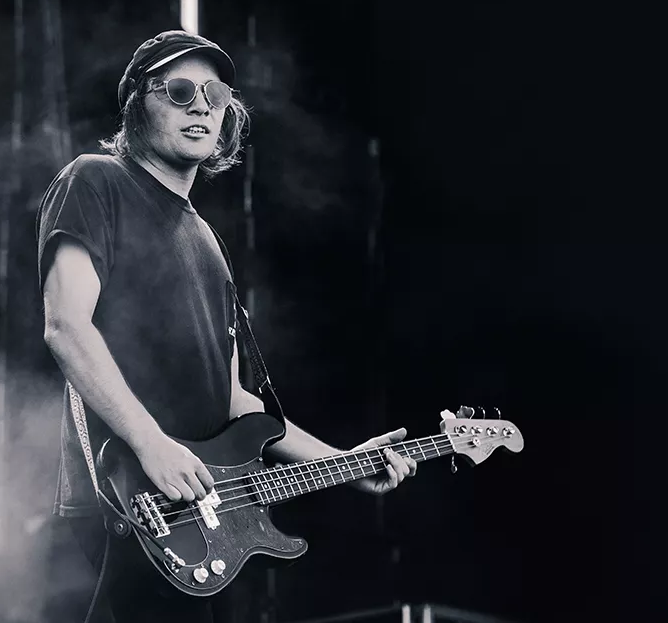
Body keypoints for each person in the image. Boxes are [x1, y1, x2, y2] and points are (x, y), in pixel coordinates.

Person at [36, 30, 417, 623]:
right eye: (179, 90)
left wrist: (346, 462)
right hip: (126, 502)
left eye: (214, 94)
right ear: (138, 103)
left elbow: (237, 403)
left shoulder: (207, 240)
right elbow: (65, 325)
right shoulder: (95, 180)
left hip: (203, 520)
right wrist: (151, 443)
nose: (201, 106)